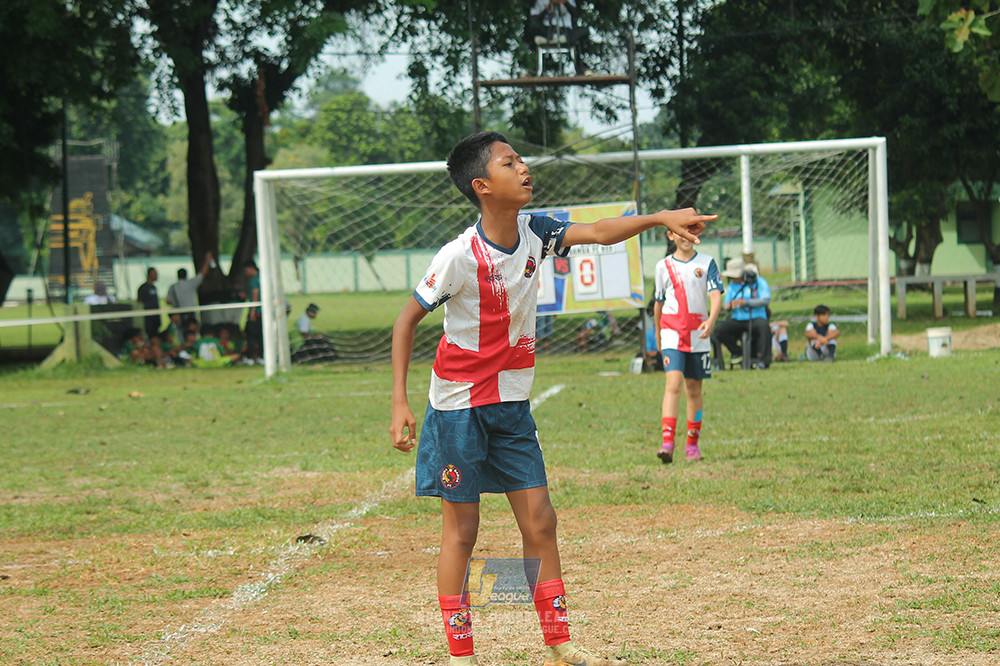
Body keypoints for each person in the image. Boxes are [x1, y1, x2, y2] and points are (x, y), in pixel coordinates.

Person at [389, 131, 715, 666]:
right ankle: (461, 654)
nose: (524, 167)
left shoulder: (537, 230)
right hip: (457, 407)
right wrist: (401, 403)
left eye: (520, 159)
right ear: (482, 186)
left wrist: (659, 218)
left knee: (541, 519)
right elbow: (406, 321)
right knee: (463, 532)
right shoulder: (458, 256)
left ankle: (559, 643)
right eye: (509, 162)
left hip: (512, 405)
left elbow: (601, 231)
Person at [653, 229, 723, 463]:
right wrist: (657, 333)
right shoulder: (663, 266)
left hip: (699, 335)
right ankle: (667, 444)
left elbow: (715, 295)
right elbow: (659, 303)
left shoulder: (707, 263)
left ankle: (692, 446)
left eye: (690, 232)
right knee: (673, 384)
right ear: (670, 235)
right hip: (672, 333)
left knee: (694, 389)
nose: (685, 236)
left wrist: (711, 320)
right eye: (680, 232)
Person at [710, 257, 772, 369]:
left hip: (756, 318)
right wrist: (729, 306)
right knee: (719, 330)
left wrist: (746, 302)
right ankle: (738, 353)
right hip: (738, 318)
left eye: (735, 276)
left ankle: (763, 360)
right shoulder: (732, 286)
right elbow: (726, 304)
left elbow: (765, 300)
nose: (733, 279)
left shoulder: (759, 282)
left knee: (764, 327)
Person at [527, 0, 592, 76]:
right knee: (533, 26)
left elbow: (575, 13)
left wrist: (565, 2)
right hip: (547, 29)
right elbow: (535, 19)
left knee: (585, 31)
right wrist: (547, 8)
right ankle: (532, 68)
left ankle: (581, 67)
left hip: (565, 29)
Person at [166, 252, 212, 327]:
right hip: (191, 313)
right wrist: (207, 260)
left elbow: (168, 301)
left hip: (179, 314)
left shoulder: (173, 287)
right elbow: (202, 274)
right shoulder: (191, 283)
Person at [242, 260, 263, 362]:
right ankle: (262, 356)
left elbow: (256, 293)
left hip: (257, 312)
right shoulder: (262, 278)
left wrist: (253, 310)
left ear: (250, 268)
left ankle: (250, 357)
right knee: (261, 335)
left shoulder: (254, 279)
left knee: (250, 334)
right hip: (264, 311)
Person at [137, 267, 160, 342]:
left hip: (155, 316)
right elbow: (140, 301)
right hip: (148, 317)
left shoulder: (154, 287)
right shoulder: (143, 288)